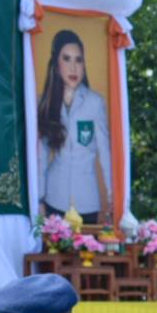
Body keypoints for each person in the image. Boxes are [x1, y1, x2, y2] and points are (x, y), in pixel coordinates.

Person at [38, 30, 111, 224]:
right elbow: (41, 155)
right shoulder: (44, 102)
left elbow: (106, 154)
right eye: (67, 59)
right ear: (56, 64)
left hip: (87, 200)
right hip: (53, 198)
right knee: (52, 253)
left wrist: (113, 199)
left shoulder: (95, 103)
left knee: (87, 253)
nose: (73, 67)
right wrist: (38, 198)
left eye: (79, 60)